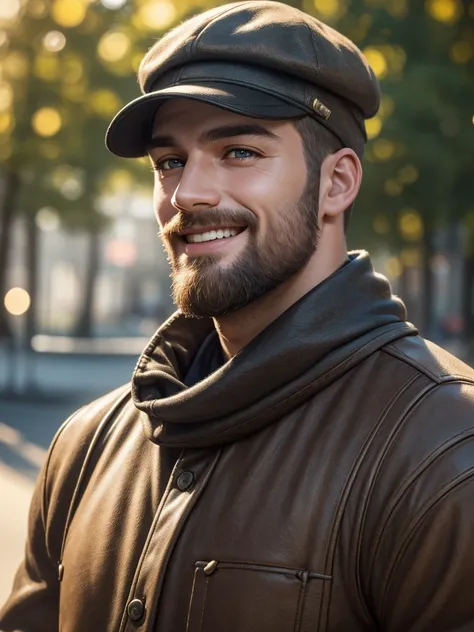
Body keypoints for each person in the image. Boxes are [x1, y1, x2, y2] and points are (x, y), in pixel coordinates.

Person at [1, 1, 474, 630]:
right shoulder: (85, 446)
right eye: (169, 161)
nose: (188, 192)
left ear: (337, 184)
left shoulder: (445, 452)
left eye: (240, 152)